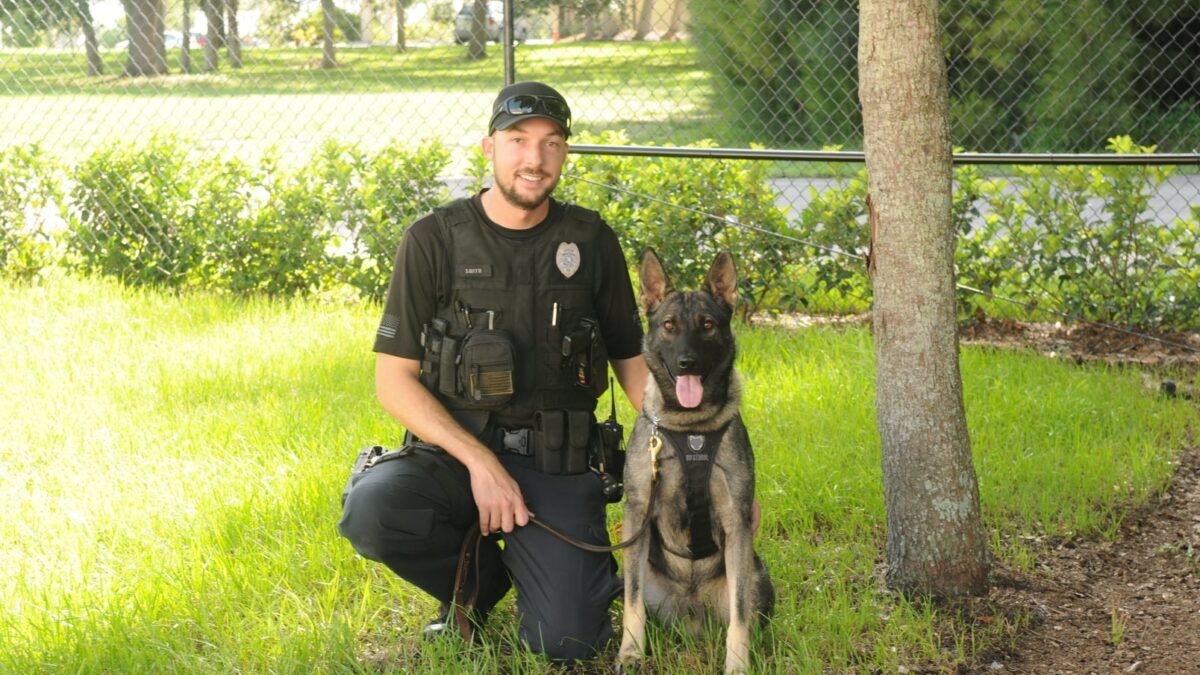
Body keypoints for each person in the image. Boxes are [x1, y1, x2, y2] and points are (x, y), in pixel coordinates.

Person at [338, 81, 650, 662]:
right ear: (488, 148)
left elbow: (633, 363)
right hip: (457, 456)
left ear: (564, 153)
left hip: (557, 463)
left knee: (567, 642)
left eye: (552, 143)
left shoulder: (590, 240)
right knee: (375, 510)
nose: (535, 159)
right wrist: (479, 461)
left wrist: (696, 450)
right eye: (518, 140)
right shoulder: (433, 239)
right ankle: (480, 586)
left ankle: (550, 576)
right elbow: (394, 380)